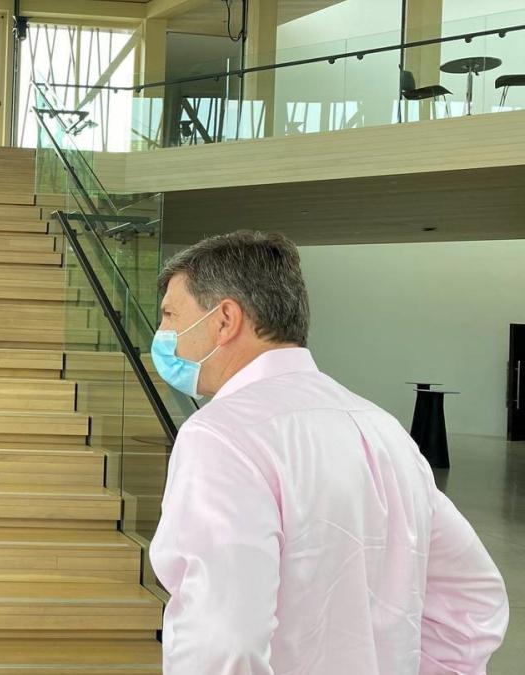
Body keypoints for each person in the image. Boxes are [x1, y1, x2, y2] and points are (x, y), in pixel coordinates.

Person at [148, 231, 509, 674]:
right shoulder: (383, 428)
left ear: (225, 320)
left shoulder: (222, 436)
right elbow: (473, 598)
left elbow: (224, 640)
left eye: (170, 315)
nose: (163, 334)